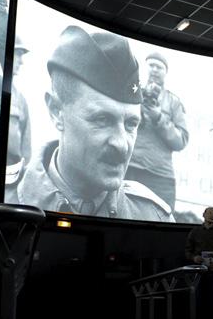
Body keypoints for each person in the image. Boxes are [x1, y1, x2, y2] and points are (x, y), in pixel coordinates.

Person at [17, 25, 173, 222]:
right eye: (102, 119)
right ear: (56, 111)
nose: (122, 144)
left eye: (131, 124)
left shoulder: (154, 218)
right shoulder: (4, 203)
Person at [124, 51, 188, 212]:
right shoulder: (131, 91)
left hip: (160, 176)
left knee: (160, 220)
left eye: (159, 67)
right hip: (129, 167)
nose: (154, 69)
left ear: (166, 71)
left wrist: (158, 118)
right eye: (151, 65)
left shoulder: (173, 102)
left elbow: (181, 141)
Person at [4, 35, 31, 202]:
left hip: (10, 173)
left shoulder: (21, 100)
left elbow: (26, 148)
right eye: (18, 54)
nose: (21, 61)